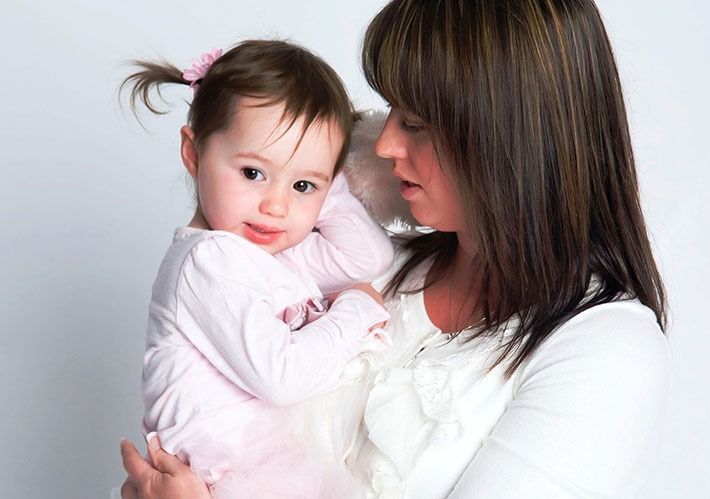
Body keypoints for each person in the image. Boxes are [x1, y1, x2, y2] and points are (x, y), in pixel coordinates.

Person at [120, 0, 671, 497]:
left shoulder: (604, 349)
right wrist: (319, 167)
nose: (383, 143)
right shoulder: (366, 269)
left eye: (416, 123)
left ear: (506, 138)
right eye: (387, 114)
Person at [119, 40, 394, 498]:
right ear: (193, 153)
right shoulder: (208, 262)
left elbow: (367, 259)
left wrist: (329, 179)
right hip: (226, 480)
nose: (276, 205)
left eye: (303, 185)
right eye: (252, 173)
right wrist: (358, 311)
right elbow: (281, 378)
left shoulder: (268, 255)